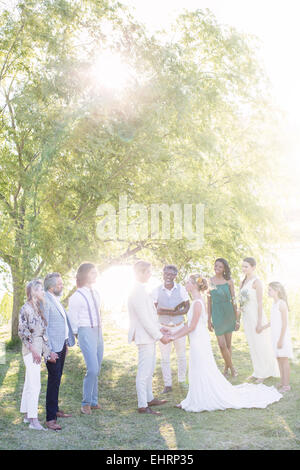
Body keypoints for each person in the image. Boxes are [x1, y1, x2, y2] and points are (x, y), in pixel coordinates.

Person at [171, 274, 282, 412]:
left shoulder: (198, 303)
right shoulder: (196, 301)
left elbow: (191, 327)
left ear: (194, 285)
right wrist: (172, 333)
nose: (185, 285)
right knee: (197, 367)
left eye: (187, 282)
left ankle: (200, 398)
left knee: (200, 367)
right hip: (196, 340)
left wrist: (171, 337)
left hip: (199, 340)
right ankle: (193, 398)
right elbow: (188, 324)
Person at [128, 260, 171, 415]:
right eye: (148, 272)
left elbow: (150, 315)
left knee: (150, 369)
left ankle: (149, 398)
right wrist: (160, 336)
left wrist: (160, 327)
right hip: (143, 336)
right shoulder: (136, 291)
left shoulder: (142, 289)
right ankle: (142, 405)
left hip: (149, 335)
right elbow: (143, 319)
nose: (150, 274)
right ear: (140, 272)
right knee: (144, 371)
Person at [18, 279, 57, 431]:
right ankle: (34, 421)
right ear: (33, 291)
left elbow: (42, 334)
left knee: (30, 382)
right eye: (40, 290)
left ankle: (28, 415)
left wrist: (47, 353)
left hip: (39, 348)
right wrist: (34, 350)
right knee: (35, 385)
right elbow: (22, 331)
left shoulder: (38, 308)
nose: (43, 292)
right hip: (30, 350)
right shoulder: (25, 308)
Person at [67, 262, 104, 415]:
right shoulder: (76, 296)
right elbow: (73, 319)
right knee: (93, 368)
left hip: (98, 331)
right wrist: (78, 336)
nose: (95, 275)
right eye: (92, 272)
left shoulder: (96, 293)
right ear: (84, 275)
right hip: (85, 331)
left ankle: (94, 401)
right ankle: (85, 403)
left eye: (96, 272)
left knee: (98, 367)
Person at [239, 258, 279, 383]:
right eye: (243, 266)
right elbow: (242, 300)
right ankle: (257, 371)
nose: (244, 269)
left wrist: (259, 322)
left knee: (261, 344)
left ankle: (264, 372)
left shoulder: (257, 282)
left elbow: (260, 303)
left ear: (253, 267)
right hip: (247, 317)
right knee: (253, 344)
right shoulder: (243, 282)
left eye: (246, 266)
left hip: (256, 317)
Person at [44, 272, 75, 431]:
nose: (62, 286)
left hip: (61, 346)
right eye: (59, 284)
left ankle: (55, 410)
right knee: (53, 381)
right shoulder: (45, 300)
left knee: (57, 380)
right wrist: (48, 351)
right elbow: (44, 328)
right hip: (52, 349)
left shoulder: (55, 299)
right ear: (51, 286)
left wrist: (66, 343)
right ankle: (50, 419)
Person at [152, 265, 190, 393]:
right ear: (162, 274)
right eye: (166, 274)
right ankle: (167, 384)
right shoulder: (156, 290)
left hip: (179, 327)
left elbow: (187, 307)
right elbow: (154, 310)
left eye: (171, 274)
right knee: (165, 358)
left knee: (181, 355)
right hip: (163, 328)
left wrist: (175, 313)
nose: (168, 276)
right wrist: (165, 312)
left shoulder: (181, 289)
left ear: (175, 276)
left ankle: (181, 381)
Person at [207, 258, 239, 377]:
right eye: (216, 266)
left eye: (220, 267)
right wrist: (208, 319)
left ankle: (226, 369)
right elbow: (209, 302)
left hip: (228, 312)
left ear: (224, 268)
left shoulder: (229, 281)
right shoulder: (209, 281)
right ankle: (233, 368)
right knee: (221, 345)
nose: (217, 268)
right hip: (217, 313)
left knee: (228, 345)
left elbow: (234, 299)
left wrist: (237, 318)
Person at [262, 282, 293, 393]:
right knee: (279, 359)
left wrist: (280, 339)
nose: (268, 292)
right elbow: (274, 321)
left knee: (284, 360)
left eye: (269, 290)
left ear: (277, 290)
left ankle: (286, 385)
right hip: (275, 336)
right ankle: (282, 381)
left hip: (282, 336)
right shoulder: (274, 304)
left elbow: (284, 323)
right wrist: (263, 327)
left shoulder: (282, 304)